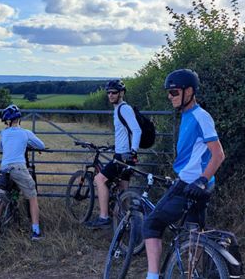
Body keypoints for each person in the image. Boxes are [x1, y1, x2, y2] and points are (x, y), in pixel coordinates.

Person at [142, 69, 226, 279]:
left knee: (151, 224)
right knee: (194, 232)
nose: (170, 97)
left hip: (192, 184)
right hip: (199, 183)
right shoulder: (188, 115)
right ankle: (192, 274)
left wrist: (201, 180)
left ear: (189, 91)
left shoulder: (200, 116)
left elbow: (218, 155)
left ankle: (152, 276)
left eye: (174, 92)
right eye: (169, 93)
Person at [86, 79, 142, 229]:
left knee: (99, 179)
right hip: (124, 154)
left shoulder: (124, 109)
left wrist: (133, 151)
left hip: (124, 156)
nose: (110, 95)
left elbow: (137, 130)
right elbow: (125, 132)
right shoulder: (118, 109)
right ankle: (126, 223)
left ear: (122, 93)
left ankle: (104, 217)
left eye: (114, 92)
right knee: (123, 188)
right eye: (108, 93)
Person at [0, 104, 46, 241]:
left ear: (7, 121)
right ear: (19, 119)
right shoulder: (25, 133)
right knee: (32, 196)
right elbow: (41, 145)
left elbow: (1, 148)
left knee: (1, 200)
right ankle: (36, 231)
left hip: (4, 169)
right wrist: (27, 144)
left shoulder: (4, 133)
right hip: (19, 168)